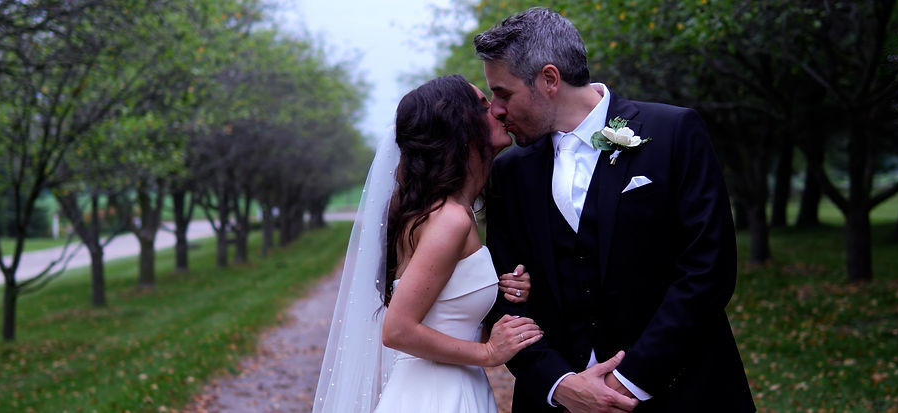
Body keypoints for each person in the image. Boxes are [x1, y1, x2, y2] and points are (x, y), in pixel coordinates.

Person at [476, 7, 756, 413]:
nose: (496, 110)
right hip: (556, 402)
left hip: (682, 391)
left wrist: (628, 381)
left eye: (503, 93)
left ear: (549, 79)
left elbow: (708, 270)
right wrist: (558, 383)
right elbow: (504, 296)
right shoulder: (509, 171)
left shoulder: (674, 133)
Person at [313, 75, 557, 413]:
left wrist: (505, 290)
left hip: (452, 387)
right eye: (484, 107)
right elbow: (397, 330)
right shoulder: (450, 219)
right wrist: (487, 354)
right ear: (460, 126)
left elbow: (447, 316)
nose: (499, 112)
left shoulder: (448, 212)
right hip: (436, 396)